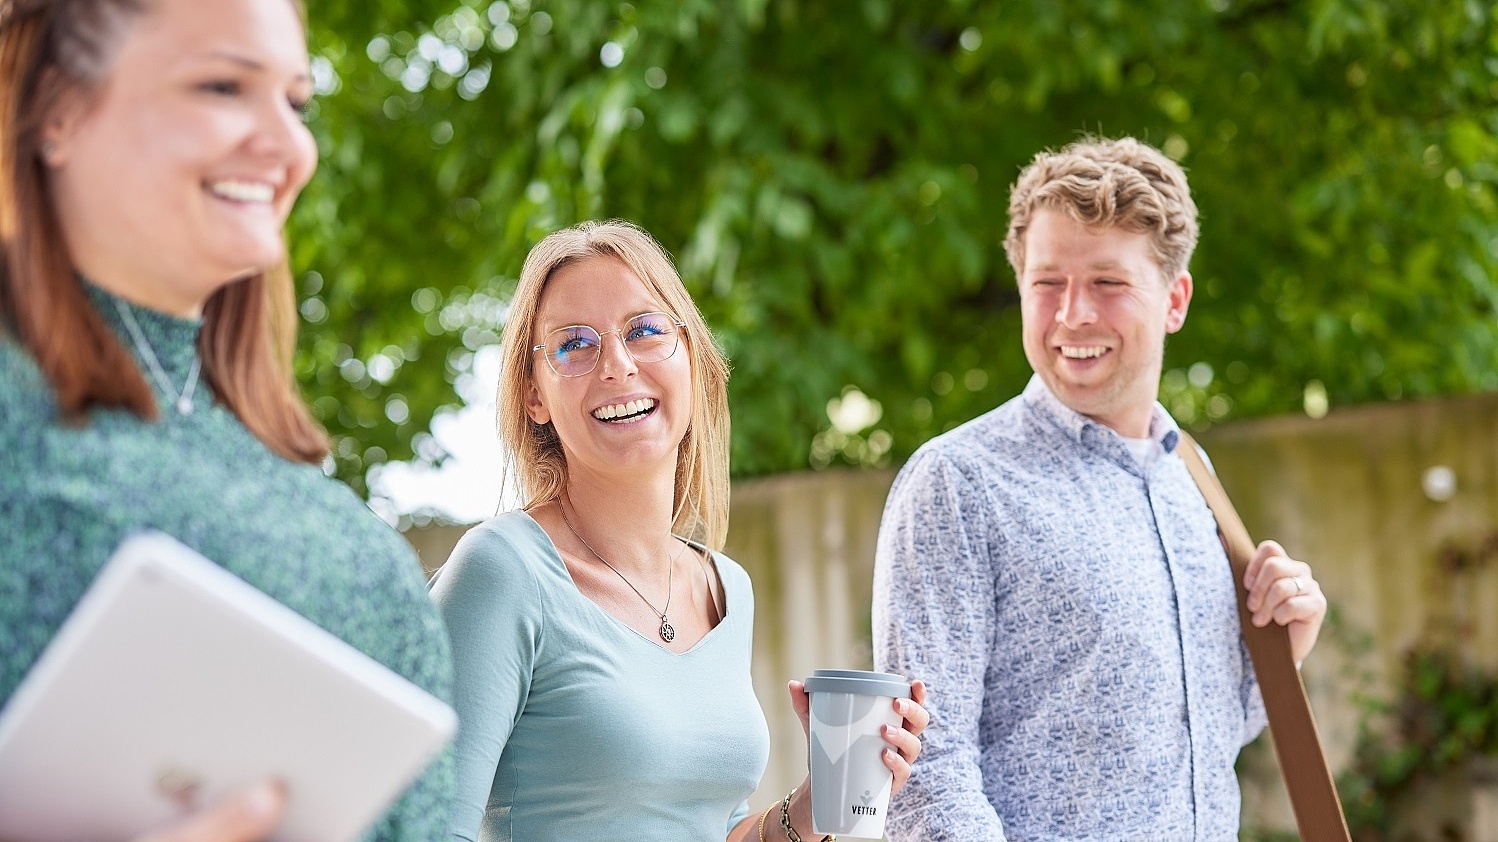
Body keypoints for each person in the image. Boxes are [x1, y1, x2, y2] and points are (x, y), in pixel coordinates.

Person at [0, 0, 453, 838]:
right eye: (222, 86)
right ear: (55, 110)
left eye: (296, 101)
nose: (288, 147)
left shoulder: (347, 542)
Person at [871, 137, 1329, 841]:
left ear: (1175, 300)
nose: (1073, 313)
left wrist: (1281, 655)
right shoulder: (959, 483)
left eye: (1109, 284)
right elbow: (926, 773)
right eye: (1048, 282)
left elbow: (1189, 749)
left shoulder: (1192, 477)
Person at [430, 219, 930, 841]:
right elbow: (421, 827)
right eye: (574, 345)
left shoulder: (725, 588)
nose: (616, 365)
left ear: (689, 359)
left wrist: (813, 803)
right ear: (534, 395)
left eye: (644, 331)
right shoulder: (502, 570)